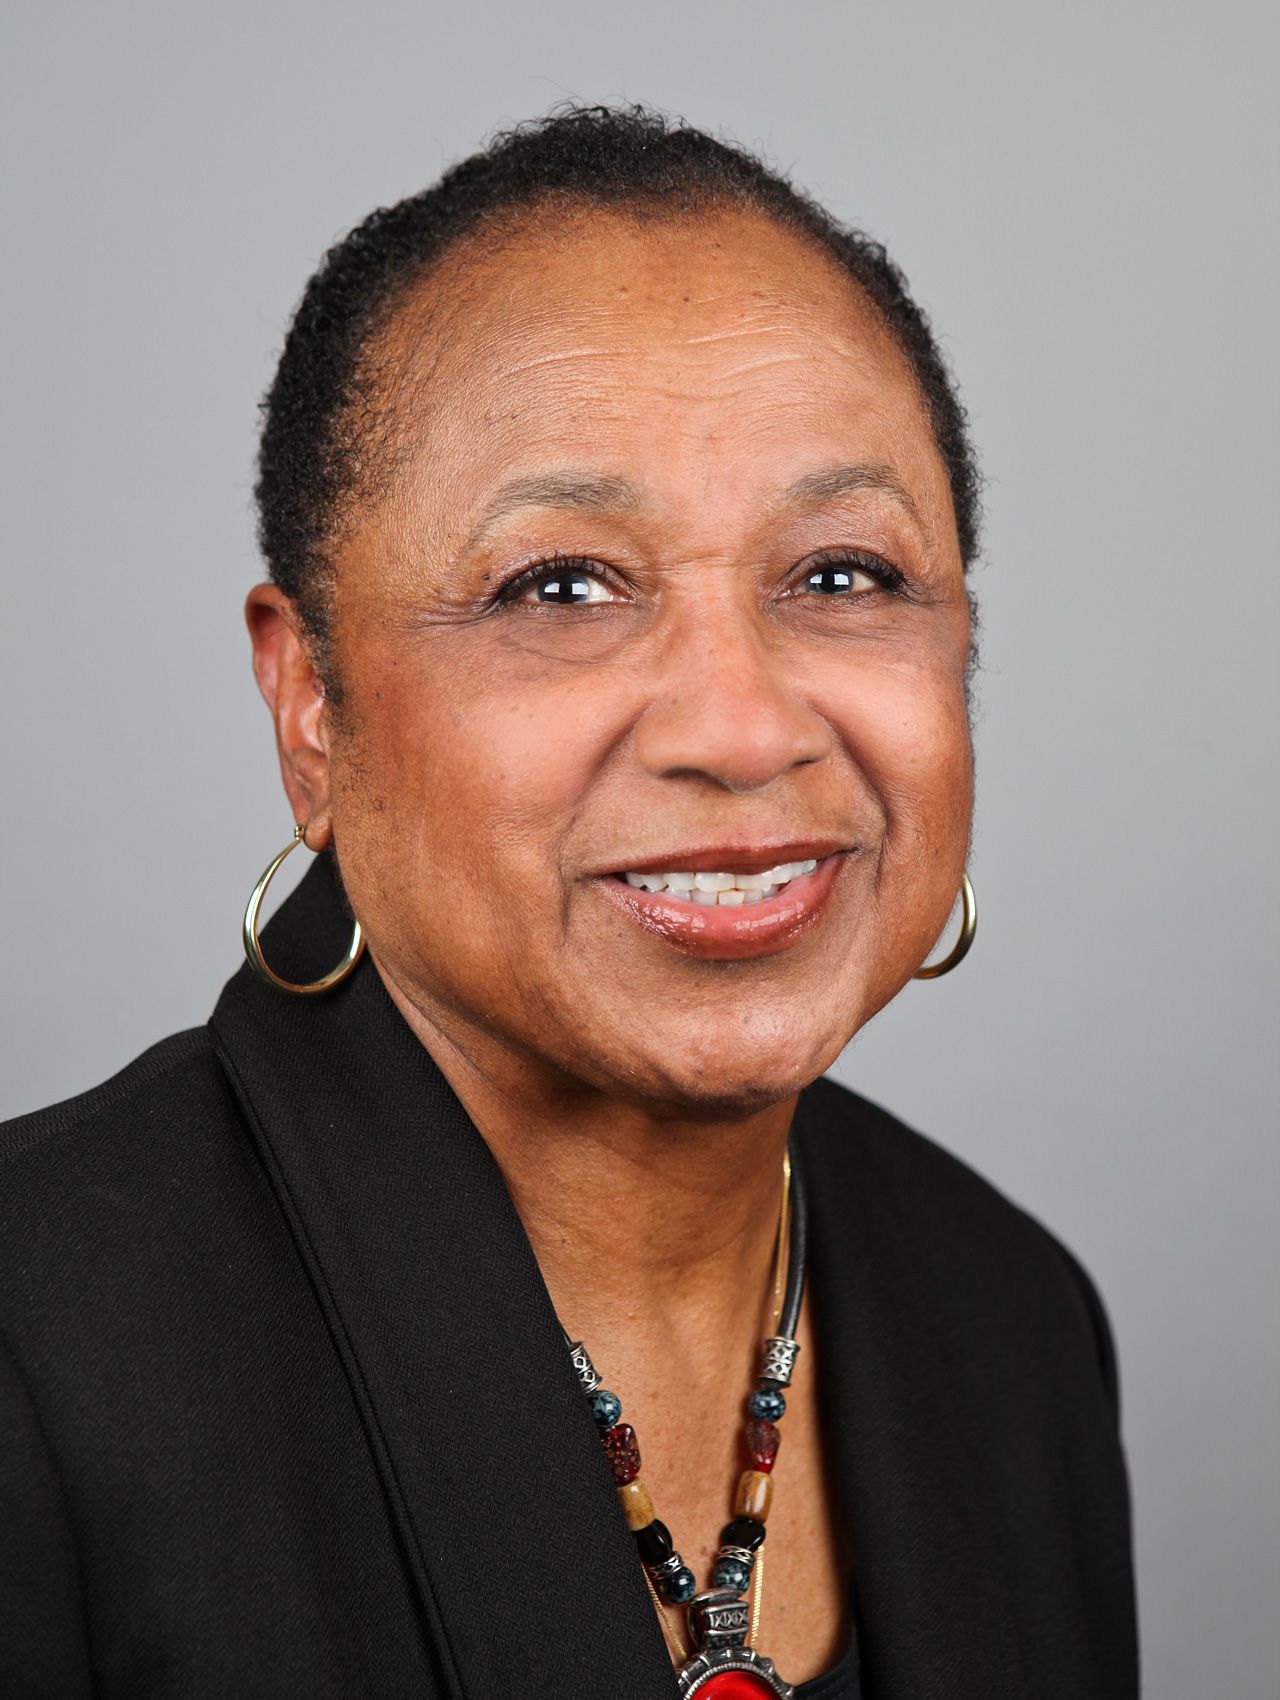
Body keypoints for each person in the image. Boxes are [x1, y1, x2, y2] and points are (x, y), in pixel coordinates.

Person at [0, 105, 1138, 1699]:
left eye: (841, 575)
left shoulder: (1012, 1323)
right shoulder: (35, 1353)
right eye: (562, 587)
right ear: (311, 705)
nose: (743, 730)